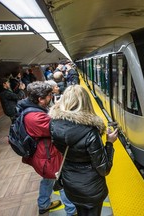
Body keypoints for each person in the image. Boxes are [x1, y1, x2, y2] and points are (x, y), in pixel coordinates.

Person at [48, 85, 118, 216]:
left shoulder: (53, 124)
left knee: (80, 211)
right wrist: (109, 143)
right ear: (86, 102)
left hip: (70, 181)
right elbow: (104, 169)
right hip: (91, 186)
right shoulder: (91, 131)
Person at [17, 81, 76, 215]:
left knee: (48, 179)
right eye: (49, 95)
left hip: (44, 154)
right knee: (62, 181)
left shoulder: (31, 107)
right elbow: (58, 129)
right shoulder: (35, 117)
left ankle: (43, 204)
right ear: (40, 99)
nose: (51, 97)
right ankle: (72, 211)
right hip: (47, 156)